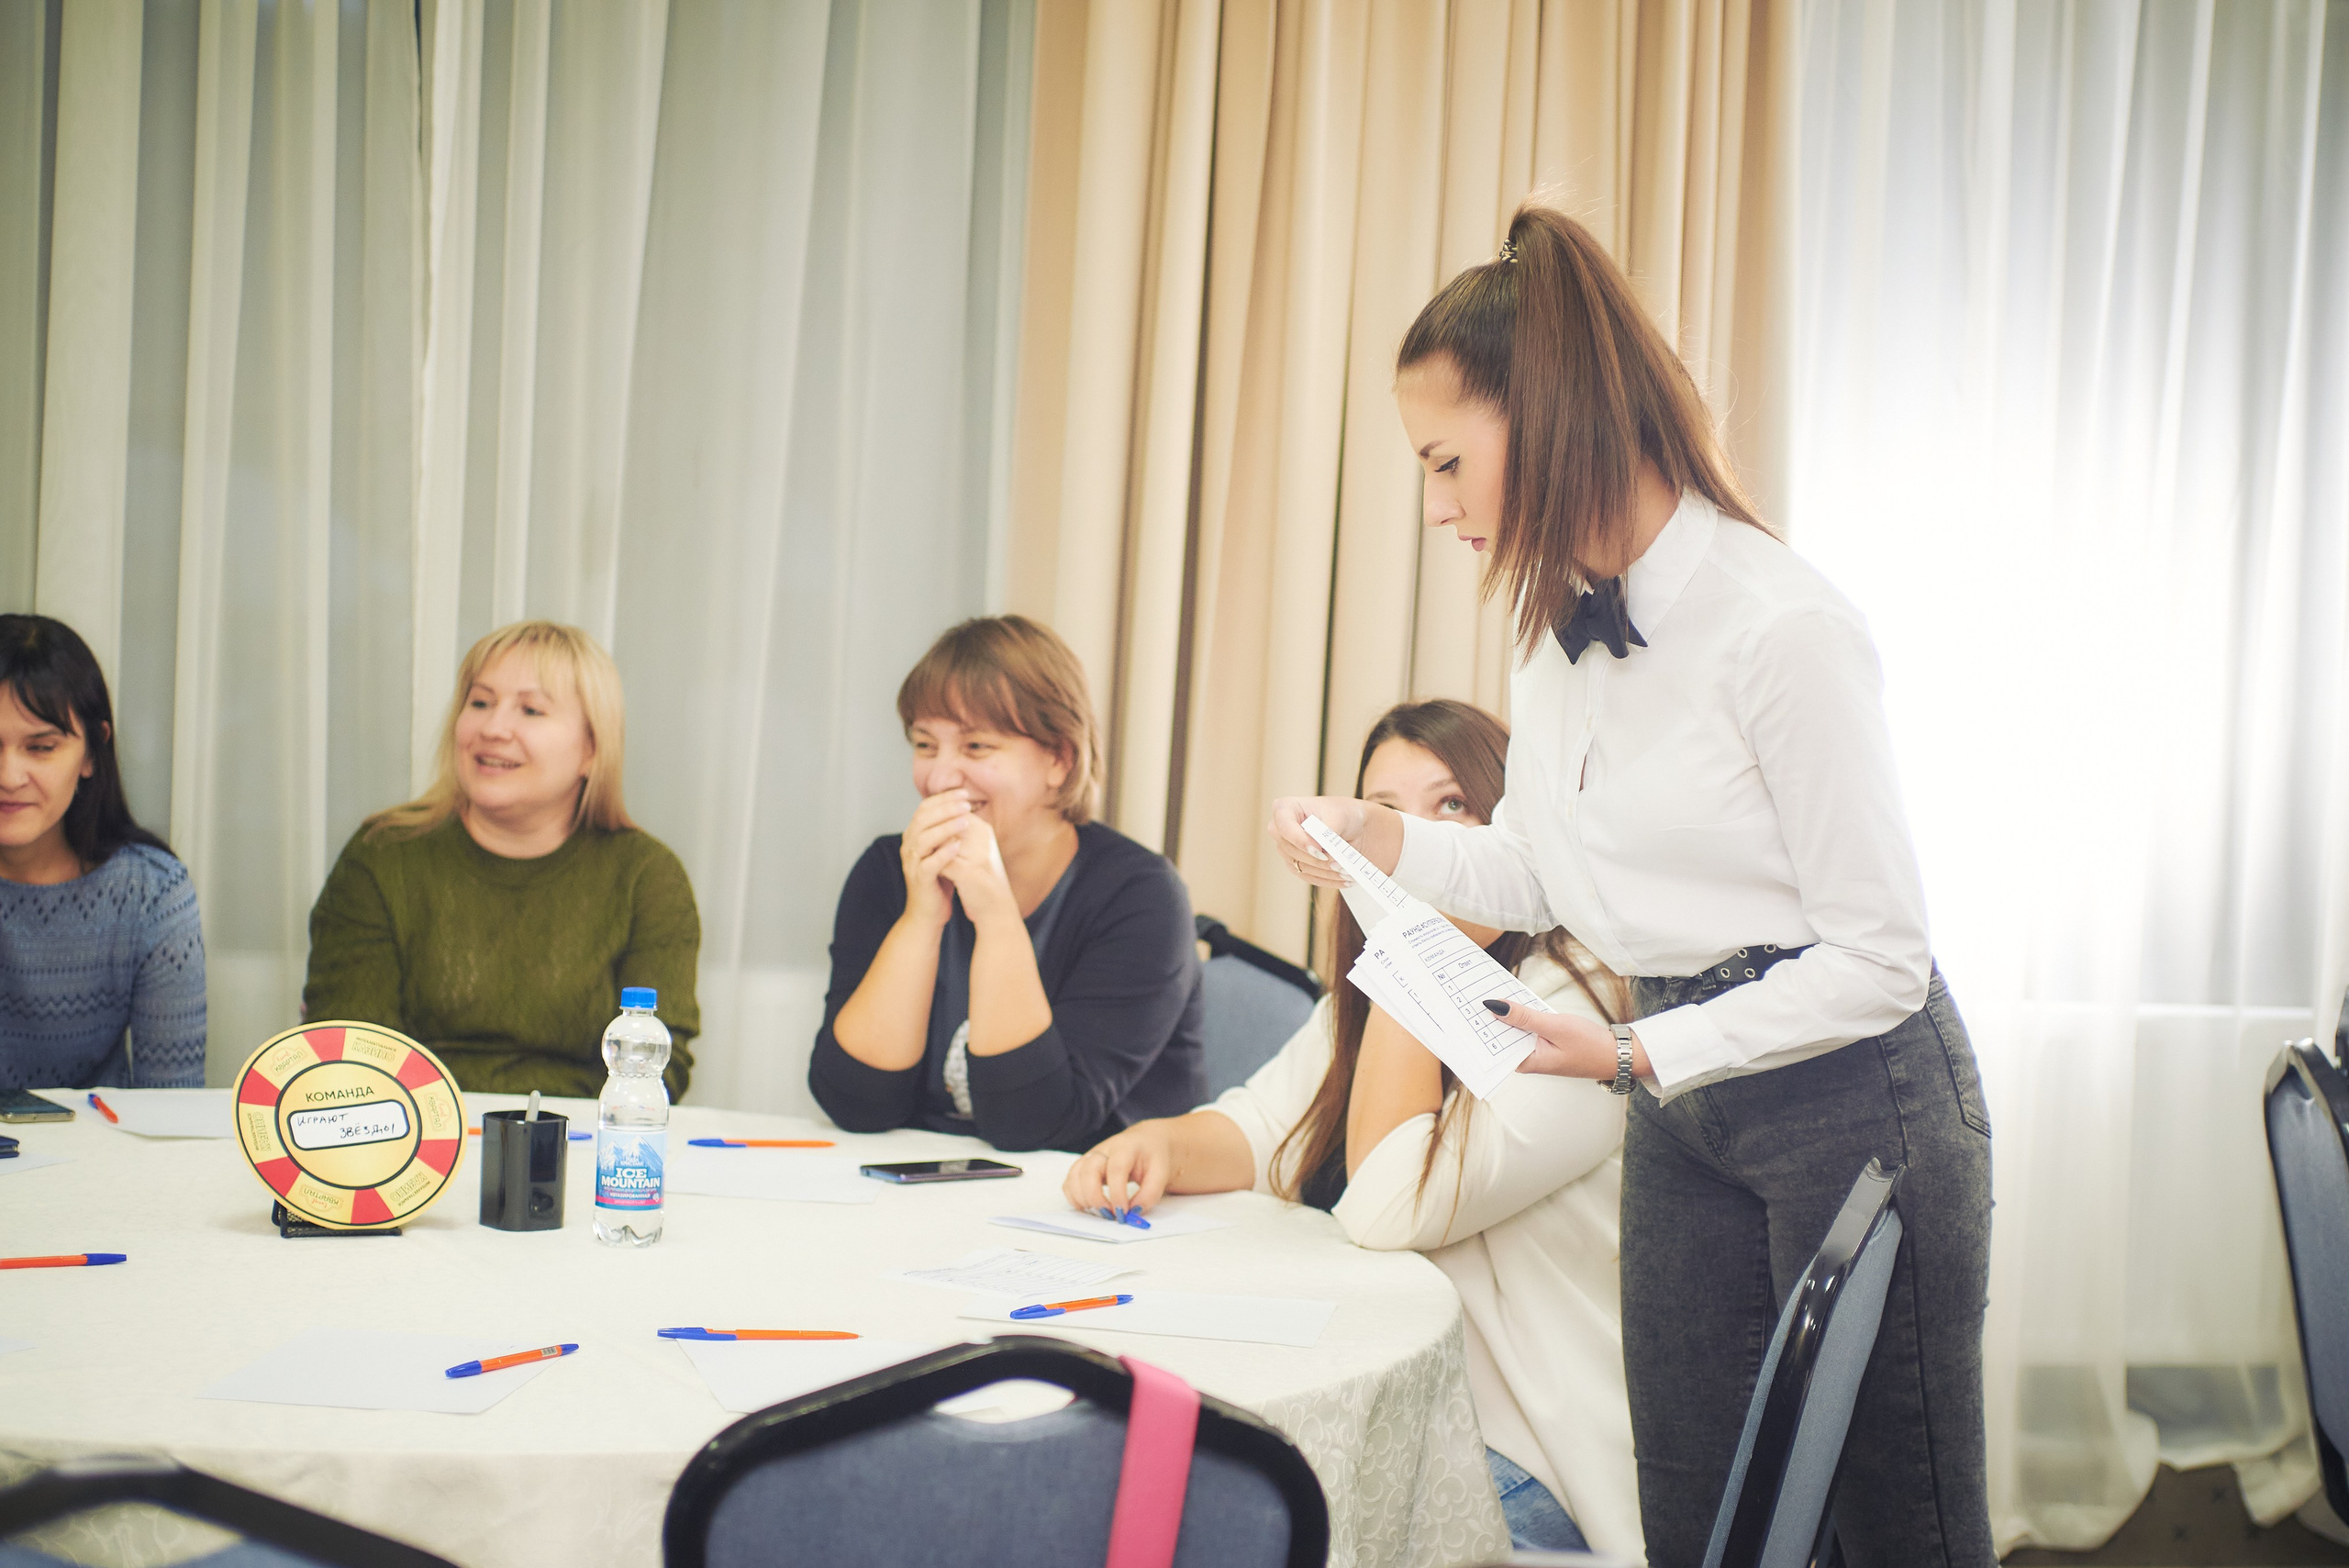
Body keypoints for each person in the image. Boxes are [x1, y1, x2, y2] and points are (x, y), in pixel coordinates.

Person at [1268, 204, 1995, 1568]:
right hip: (1677, 1092)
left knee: (1900, 1533)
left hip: (1858, 1092)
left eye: (1444, 462)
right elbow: (1543, 869)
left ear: (1539, 416)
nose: (1434, 507)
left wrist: (1638, 1046)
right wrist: (1379, 836)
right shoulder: (1556, 641)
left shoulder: (1782, 627)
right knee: (1697, 1518)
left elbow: (1882, 959)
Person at [1065, 698, 1641, 1558]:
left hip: (1533, 1453)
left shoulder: (1582, 1001)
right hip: (1408, 1408)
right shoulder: (1368, 999)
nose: (1412, 841)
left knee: (1226, 1520)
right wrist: (1161, 1144)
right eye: (1386, 813)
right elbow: (1263, 1128)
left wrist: (1412, 951)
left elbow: (1386, 1206)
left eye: (1451, 806)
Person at [809, 615, 1203, 1152]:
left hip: (1094, 1207)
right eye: (926, 745)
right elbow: (855, 1104)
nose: (941, 777)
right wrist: (921, 918)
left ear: (1059, 760)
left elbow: (1033, 1125)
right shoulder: (887, 870)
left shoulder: (1141, 896)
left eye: (976, 748)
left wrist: (995, 916)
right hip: (924, 1194)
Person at [303, 620, 698, 1098]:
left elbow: (655, 1070)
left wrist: (528, 1133)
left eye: (531, 710)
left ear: (591, 750)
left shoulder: (647, 877)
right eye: (480, 702)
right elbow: (354, 1061)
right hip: (416, 1150)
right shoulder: (383, 856)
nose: (492, 728)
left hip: (578, 1149)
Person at [0, 615, 206, 1091]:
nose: (9, 776)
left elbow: (171, 1108)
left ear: (92, 752)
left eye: (41, 747)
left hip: (101, 1159)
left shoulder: (152, 893)